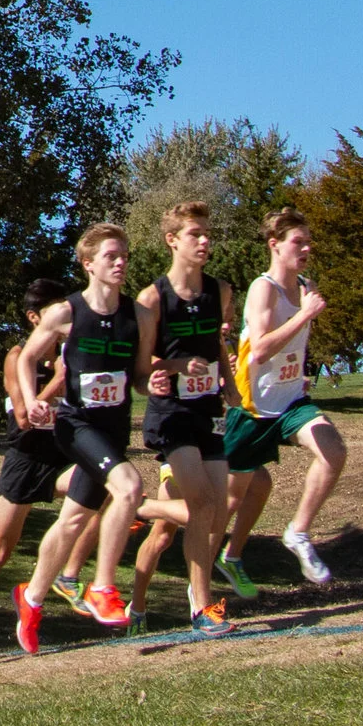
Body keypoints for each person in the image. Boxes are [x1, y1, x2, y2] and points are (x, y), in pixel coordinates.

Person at [11, 223, 151, 652]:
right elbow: (26, 358)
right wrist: (32, 399)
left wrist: (161, 380)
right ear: (89, 264)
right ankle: (102, 587)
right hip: (76, 425)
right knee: (129, 487)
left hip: (113, 428)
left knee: (72, 520)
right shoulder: (65, 314)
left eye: (124, 254)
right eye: (111, 256)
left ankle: (31, 598)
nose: (121, 261)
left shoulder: (139, 316)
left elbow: (142, 377)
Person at [0, 280, 93, 651]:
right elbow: (22, 417)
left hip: (62, 454)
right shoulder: (18, 357)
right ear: (35, 318)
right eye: (54, 312)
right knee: (0, 550)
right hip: (26, 458)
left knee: (102, 486)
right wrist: (58, 383)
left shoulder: (72, 352)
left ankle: (69, 577)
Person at [223, 207, 347, 588]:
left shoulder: (305, 285)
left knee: (333, 450)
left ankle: (298, 533)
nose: (307, 247)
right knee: (235, 499)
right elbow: (259, 350)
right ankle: (226, 557)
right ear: (275, 246)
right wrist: (304, 315)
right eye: (299, 241)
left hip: (290, 402)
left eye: (309, 241)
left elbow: (289, 348)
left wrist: (299, 374)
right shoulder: (265, 288)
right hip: (252, 408)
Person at [130, 199, 238, 635]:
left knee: (216, 511)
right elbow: (140, 367)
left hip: (208, 409)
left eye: (207, 233)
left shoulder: (221, 291)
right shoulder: (152, 298)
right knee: (204, 504)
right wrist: (172, 369)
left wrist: (230, 387)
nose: (205, 240)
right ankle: (202, 607)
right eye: (196, 234)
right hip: (171, 414)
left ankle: (145, 508)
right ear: (172, 240)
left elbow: (217, 345)